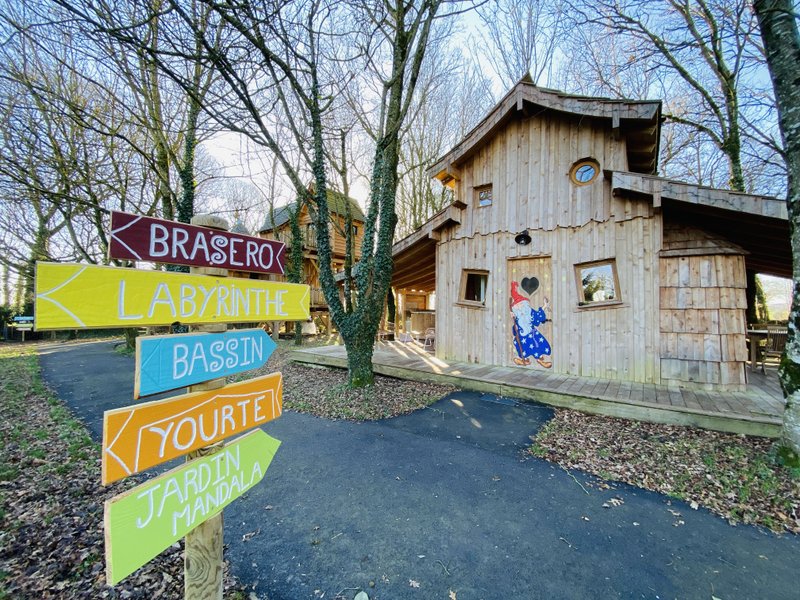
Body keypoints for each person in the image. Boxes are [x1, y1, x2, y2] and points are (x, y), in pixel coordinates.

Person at [509, 280, 552, 368]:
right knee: (522, 347)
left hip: (532, 334)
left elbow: (537, 317)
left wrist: (544, 307)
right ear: (515, 309)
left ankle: (540, 360)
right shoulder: (517, 318)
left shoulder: (530, 313)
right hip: (522, 336)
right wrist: (514, 324)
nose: (520, 308)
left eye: (521, 305)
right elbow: (514, 330)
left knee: (537, 346)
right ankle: (525, 360)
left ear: (525, 305)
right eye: (517, 307)